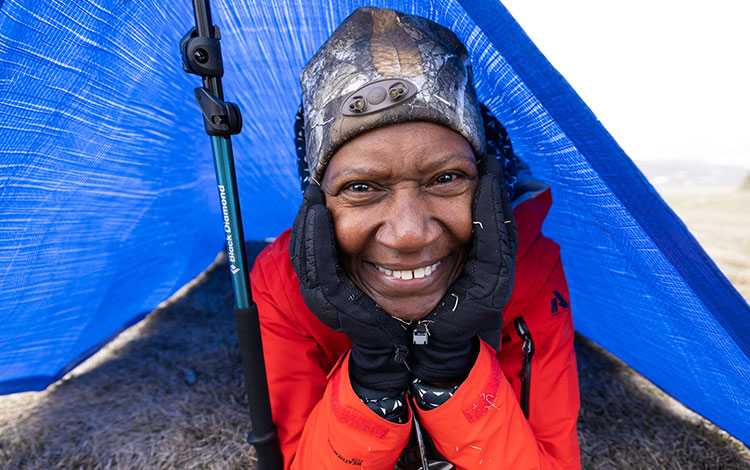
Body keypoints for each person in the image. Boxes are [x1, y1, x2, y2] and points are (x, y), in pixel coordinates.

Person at [250, 7, 580, 469]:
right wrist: (372, 378)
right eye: (361, 187)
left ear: (489, 186)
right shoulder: (280, 282)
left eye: (445, 178)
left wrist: (454, 370)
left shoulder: (530, 268)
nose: (408, 233)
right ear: (318, 207)